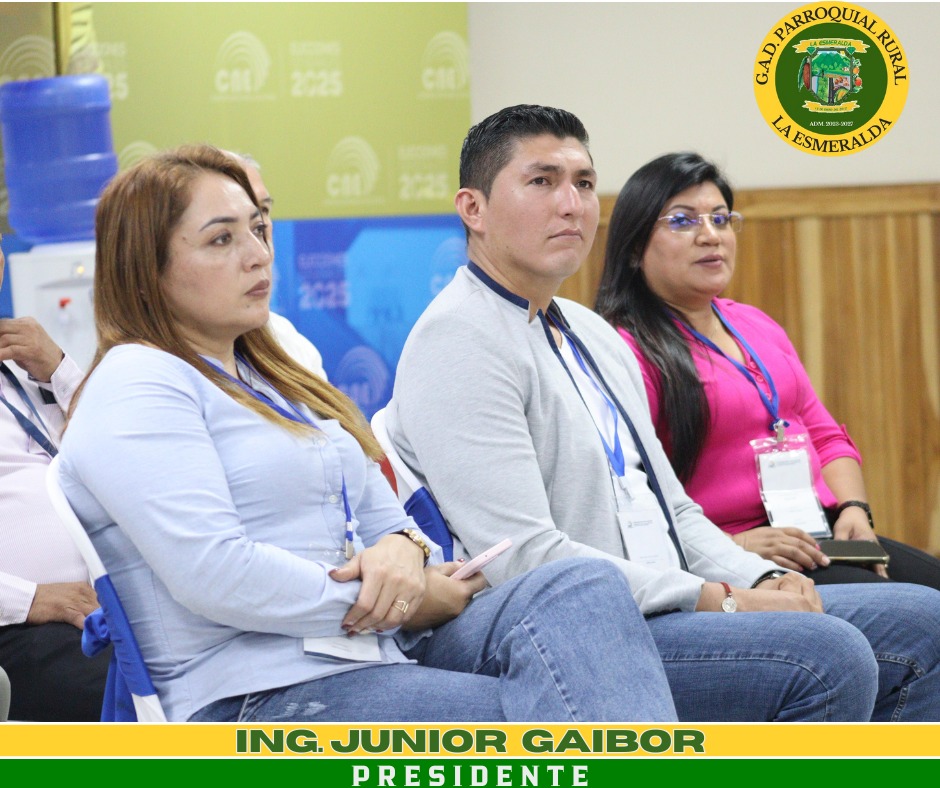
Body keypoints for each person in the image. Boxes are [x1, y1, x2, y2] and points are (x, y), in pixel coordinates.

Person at [57, 143, 681, 723]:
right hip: (259, 696)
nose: (257, 254)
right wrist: (400, 598)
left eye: (257, 229)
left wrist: (404, 551)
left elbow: (395, 524)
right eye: (221, 239)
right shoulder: (137, 381)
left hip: (382, 655)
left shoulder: (274, 374)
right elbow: (215, 574)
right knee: (555, 711)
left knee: (582, 586)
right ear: (147, 268)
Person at [386, 104, 940, 721]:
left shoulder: (591, 334)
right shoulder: (460, 339)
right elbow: (525, 558)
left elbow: (675, 511)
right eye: (542, 181)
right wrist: (721, 598)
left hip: (665, 598)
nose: (571, 204)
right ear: (474, 209)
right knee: (825, 654)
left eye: (584, 183)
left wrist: (759, 580)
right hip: (569, 628)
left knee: (926, 620)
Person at [595, 152, 940, 590]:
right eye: (682, 221)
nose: (710, 236)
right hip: (731, 559)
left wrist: (854, 509)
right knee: (920, 614)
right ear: (633, 249)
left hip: (819, 533)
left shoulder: (754, 323)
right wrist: (731, 545)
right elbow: (626, 494)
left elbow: (825, 435)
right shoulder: (624, 349)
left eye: (720, 219)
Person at [0, 233, 109, 721]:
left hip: (95, 609)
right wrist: (29, 600)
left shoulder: (26, 366)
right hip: (22, 629)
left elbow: (123, 454)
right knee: (121, 699)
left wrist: (61, 370)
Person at [226, 151, 328, 381]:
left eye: (262, 212)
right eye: (223, 236)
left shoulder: (290, 343)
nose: (261, 252)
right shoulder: (156, 370)